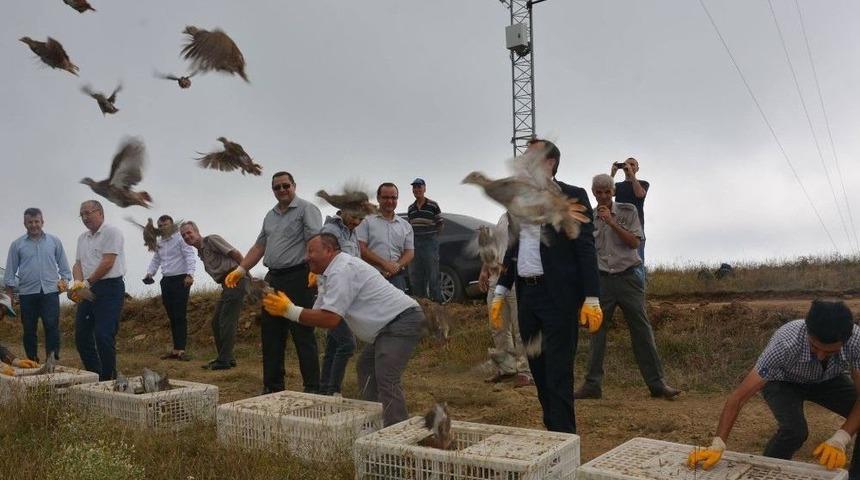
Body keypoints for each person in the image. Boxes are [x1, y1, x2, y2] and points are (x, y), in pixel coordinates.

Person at [491, 138, 602, 433]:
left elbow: (585, 248)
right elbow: (513, 247)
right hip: (528, 296)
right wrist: (501, 289)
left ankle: (564, 437)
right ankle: (553, 429)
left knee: (558, 370)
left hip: (559, 297)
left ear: (549, 163)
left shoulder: (573, 196)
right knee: (538, 369)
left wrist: (592, 296)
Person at [262, 233, 425, 426]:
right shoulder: (330, 273)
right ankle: (377, 422)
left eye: (311, 251)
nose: (306, 257)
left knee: (386, 376)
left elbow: (331, 319)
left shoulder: (341, 270)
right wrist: (294, 306)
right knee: (366, 367)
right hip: (388, 327)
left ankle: (396, 430)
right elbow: (318, 313)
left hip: (402, 320)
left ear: (328, 251)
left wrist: (289, 310)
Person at [689, 300, 860, 478]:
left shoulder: (856, 340)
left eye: (830, 352)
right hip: (783, 381)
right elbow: (738, 397)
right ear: (807, 331)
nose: (820, 356)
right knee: (794, 431)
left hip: (828, 380)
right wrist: (717, 444)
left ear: (845, 341)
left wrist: (841, 438)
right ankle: (765, 474)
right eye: (814, 347)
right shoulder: (785, 342)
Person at [574, 174, 679, 400]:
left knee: (641, 331)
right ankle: (592, 385)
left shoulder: (628, 211)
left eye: (607, 192)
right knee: (596, 331)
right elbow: (585, 251)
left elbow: (634, 243)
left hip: (629, 277)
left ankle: (657, 384)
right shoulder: (588, 217)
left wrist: (612, 223)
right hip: (602, 280)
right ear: (593, 193)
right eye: (599, 192)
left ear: (613, 192)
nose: (603, 196)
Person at [224, 171, 322, 394]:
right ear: (273, 190)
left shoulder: (307, 209)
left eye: (285, 185)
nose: (282, 190)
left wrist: (316, 270)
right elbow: (259, 246)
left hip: (299, 277)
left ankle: (313, 388)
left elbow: (315, 240)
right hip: (274, 279)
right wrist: (240, 269)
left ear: (294, 185)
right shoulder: (270, 216)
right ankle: (273, 387)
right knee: (271, 335)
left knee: (302, 333)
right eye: (277, 187)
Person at [4, 207, 71, 362]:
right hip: (27, 293)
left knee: (51, 325)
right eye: (30, 222)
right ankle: (32, 360)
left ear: (42, 222)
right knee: (29, 328)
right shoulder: (17, 244)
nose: (34, 225)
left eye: (36, 221)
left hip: (50, 292)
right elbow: (10, 271)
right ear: (25, 223)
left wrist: (65, 280)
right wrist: (9, 295)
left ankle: (52, 360)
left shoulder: (54, 241)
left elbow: (64, 267)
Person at [69, 200, 126, 381]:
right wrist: (78, 283)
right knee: (82, 337)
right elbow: (78, 264)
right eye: (82, 214)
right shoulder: (82, 238)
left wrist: (86, 283)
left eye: (88, 212)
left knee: (103, 334)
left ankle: (109, 377)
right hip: (88, 288)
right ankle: (97, 375)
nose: (85, 217)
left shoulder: (112, 232)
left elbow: (108, 262)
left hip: (110, 287)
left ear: (100, 212)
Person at [179, 221, 246, 370]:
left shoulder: (211, 240)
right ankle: (227, 358)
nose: (187, 236)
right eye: (183, 235)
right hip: (226, 284)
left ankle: (223, 361)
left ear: (197, 231)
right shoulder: (201, 252)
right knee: (216, 322)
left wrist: (247, 273)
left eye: (189, 232)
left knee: (227, 321)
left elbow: (235, 253)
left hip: (236, 278)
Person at [477, 213, 533, 387]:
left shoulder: (527, 218)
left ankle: (525, 371)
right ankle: (506, 367)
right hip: (496, 278)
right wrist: (484, 270)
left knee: (521, 327)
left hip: (517, 279)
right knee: (498, 326)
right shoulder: (502, 219)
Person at [318, 211, 362, 395]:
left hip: (347, 295)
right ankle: (333, 390)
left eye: (361, 219)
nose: (357, 222)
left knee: (334, 344)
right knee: (347, 343)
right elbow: (325, 263)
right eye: (354, 217)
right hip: (332, 295)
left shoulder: (352, 232)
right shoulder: (330, 231)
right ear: (344, 210)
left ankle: (324, 390)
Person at [144, 215, 196, 361]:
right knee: (172, 315)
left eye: (165, 225)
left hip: (181, 279)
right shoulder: (160, 242)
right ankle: (175, 350)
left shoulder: (180, 238)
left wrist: (190, 275)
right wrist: (150, 273)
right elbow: (156, 259)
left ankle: (181, 350)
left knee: (179, 315)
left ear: (172, 225)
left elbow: (190, 256)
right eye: (160, 226)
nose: (162, 228)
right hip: (166, 281)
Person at [356, 183, 414, 291]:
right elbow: (361, 248)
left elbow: (410, 252)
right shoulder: (366, 220)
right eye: (385, 197)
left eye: (393, 198)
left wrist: (397, 266)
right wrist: (384, 265)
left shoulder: (406, 226)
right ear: (378, 198)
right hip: (370, 277)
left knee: (398, 303)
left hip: (397, 278)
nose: (390, 201)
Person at [407, 178, 443, 302]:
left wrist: (433, 239)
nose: (416, 189)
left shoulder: (433, 205)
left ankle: (437, 304)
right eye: (414, 187)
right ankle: (422, 304)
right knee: (415, 276)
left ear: (424, 189)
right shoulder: (411, 208)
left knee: (433, 275)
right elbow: (410, 226)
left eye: (419, 187)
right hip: (415, 244)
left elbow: (440, 224)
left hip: (429, 242)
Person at [611, 157, 648, 263]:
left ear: (637, 168)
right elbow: (607, 192)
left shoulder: (643, 183)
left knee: (638, 259)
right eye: (627, 164)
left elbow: (639, 194)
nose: (629, 167)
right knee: (618, 257)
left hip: (636, 226)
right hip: (619, 224)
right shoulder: (618, 186)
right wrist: (612, 174)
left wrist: (631, 174)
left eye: (632, 165)